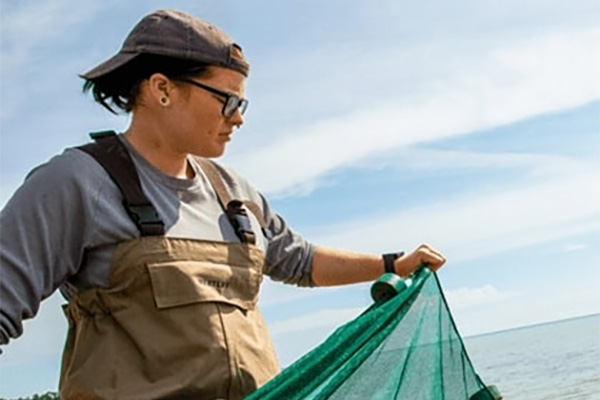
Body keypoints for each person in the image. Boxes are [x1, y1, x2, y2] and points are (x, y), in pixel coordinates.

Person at [0, 9, 446, 400]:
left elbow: (299, 260)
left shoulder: (234, 191)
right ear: (161, 89)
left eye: (242, 102)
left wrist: (394, 263)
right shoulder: (76, 182)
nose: (239, 117)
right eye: (228, 100)